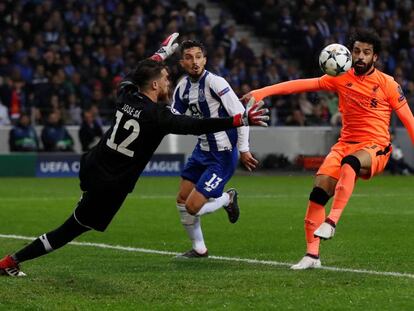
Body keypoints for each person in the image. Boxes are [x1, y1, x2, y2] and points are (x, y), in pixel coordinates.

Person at [0, 33, 269, 277]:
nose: (168, 81)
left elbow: (133, 74)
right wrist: (237, 120)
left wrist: (159, 54)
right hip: (111, 185)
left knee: (81, 213)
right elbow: (194, 125)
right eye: (164, 78)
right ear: (154, 84)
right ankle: (10, 262)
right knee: (71, 228)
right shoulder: (158, 116)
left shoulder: (126, 94)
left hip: (92, 166)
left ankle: (199, 242)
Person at [243, 29, 414, 269]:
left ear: (375, 57)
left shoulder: (388, 84)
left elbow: (409, 120)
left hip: (377, 146)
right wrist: (262, 92)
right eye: (356, 51)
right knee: (317, 194)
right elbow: (301, 85)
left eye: (366, 52)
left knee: (351, 163)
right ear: (350, 53)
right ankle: (312, 256)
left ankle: (332, 221)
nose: (360, 57)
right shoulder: (340, 77)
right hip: (345, 144)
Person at [172, 40, 260, 258]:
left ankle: (227, 198)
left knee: (192, 207)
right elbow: (172, 117)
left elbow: (241, 115)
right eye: (189, 57)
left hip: (222, 155)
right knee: (182, 200)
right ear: (182, 62)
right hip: (201, 150)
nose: (195, 62)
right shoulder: (182, 87)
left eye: (199, 56)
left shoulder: (215, 82)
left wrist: (244, 149)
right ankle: (199, 249)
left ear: (205, 59)